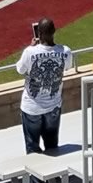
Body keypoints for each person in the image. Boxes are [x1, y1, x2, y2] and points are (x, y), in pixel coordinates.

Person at [16, 17, 71, 155]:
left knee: (32, 147)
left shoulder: (30, 52)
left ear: (38, 34)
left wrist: (32, 47)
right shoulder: (65, 51)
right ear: (54, 31)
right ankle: (54, 176)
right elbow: (67, 67)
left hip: (32, 108)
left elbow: (20, 69)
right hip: (53, 107)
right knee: (52, 146)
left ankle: (36, 177)